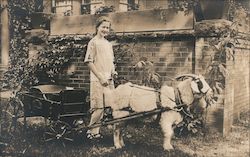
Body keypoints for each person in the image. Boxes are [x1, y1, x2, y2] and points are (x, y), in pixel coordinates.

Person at [84, 16, 116, 139]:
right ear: (97, 27)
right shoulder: (93, 42)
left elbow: (111, 61)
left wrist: (113, 71)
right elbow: (89, 62)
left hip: (108, 79)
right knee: (98, 107)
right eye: (103, 27)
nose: (105, 30)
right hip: (98, 80)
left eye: (107, 28)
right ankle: (91, 132)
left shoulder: (108, 44)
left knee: (110, 106)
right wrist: (100, 77)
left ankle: (98, 132)